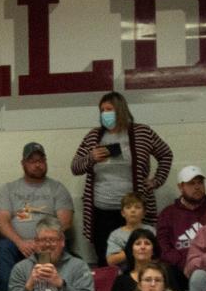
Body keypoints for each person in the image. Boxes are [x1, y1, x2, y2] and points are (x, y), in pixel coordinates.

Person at [70, 91, 172, 264]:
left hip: (133, 211)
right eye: (102, 110)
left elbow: (166, 155)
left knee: (139, 256)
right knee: (106, 259)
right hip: (101, 211)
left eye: (109, 109)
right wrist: (91, 158)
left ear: (120, 109)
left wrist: (156, 181)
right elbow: (75, 167)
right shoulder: (94, 136)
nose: (104, 114)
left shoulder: (142, 132)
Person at [0, 141, 74, 291]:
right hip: (16, 245)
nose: (37, 165)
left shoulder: (57, 188)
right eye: (32, 161)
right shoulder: (9, 189)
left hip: (49, 243)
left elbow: (65, 222)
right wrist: (20, 242)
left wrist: (44, 241)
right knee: (3, 248)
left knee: (59, 247)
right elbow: (0, 222)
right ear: (23, 164)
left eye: (41, 160)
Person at [157, 166, 206, 291]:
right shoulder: (168, 213)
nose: (197, 187)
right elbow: (163, 246)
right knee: (164, 269)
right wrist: (183, 263)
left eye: (200, 182)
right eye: (191, 183)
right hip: (180, 268)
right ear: (180, 187)